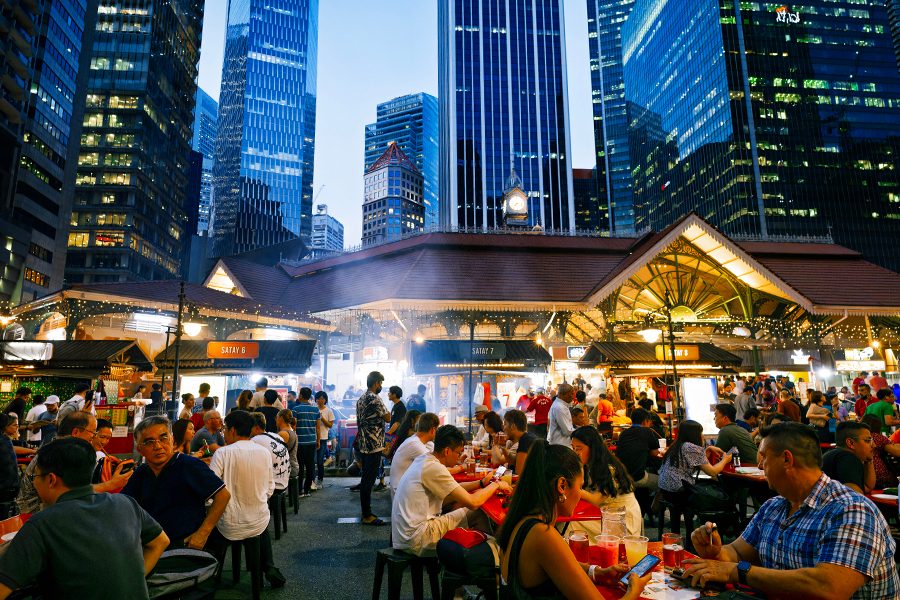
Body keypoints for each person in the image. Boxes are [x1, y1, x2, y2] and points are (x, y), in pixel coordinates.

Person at [683, 422, 898, 598]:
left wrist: (737, 572)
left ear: (787, 459)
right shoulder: (774, 507)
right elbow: (737, 552)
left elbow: (830, 587)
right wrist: (717, 552)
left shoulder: (851, 510)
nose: (759, 466)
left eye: (764, 457)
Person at [0, 437, 169, 599]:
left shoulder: (43, 523)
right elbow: (160, 542)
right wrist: (136, 577)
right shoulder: (125, 504)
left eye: (35, 477)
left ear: (51, 480)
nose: (34, 483)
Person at [498, 439, 651, 599]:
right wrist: (634, 590)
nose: (580, 494)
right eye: (580, 486)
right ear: (562, 486)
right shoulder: (543, 535)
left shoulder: (522, 520)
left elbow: (557, 564)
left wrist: (596, 572)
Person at [391, 425, 511, 556]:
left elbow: (454, 489)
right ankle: (493, 557)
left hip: (405, 534)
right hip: (416, 538)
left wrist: (481, 483)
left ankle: (480, 556)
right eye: (458, 453)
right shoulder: (434, 467)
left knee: (461, 506)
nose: (459, 457)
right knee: (477, 512)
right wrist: (496, 485)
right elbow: (473, 502)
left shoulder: (425, 460)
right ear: (447, 451)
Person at [122, 416, 230, 552]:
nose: (158, 446)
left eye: (163, 438)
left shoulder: (188, 465)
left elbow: (223, 495)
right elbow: (124, 504)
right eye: (149, 442)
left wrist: (203, 533)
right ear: (139, 449)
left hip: (185, 546)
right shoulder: (142, 472)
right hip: (152, 546)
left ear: (172, 439)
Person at [211, 410, 285, 588]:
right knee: (260, 526)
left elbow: (211, 489)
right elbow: (270, 488)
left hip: (229, 525)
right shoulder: (264, 452)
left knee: (209, 534)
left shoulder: (222, 453)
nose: (224, 433)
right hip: (258, 522)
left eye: (225, 429)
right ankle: (267, 567)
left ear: (233, 430)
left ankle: (210, 578)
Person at [16, 411, 133, 514]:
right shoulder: (58, 453)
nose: (94, 437)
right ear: (76, 432)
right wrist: (111, 484)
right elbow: (71, 493)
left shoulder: (61, 448)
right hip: (36, 513)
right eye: (92, 432)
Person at [570, 426, 642, 537]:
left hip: (623, 522)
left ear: (592, 448)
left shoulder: (608, 468)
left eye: (579, 448)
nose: (575, 453)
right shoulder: (591, 465)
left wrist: (573, 488)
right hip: (609, 516)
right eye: (573, 448)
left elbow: (596, 500)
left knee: (571, 526)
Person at [658, 420, 732, 521]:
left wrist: (708, 449)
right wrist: (725, 460)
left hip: (665, 488)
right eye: (701, 432)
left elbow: (693, 461)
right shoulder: (691, 447)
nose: (702, 435)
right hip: (678, 490)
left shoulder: (676, 445)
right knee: (718, 493)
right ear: (694, 434)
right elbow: (712, 472)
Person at [356, 371, 391, 525]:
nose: (381, 386)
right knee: (368, 481)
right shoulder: (375, 399)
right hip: (374, 444)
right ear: (376, 383)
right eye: (380, 383)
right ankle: (367, 515)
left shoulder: (361, 399)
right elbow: (388, 417)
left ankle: (366, 512)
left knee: (366, 479)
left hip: (363, 443)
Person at [389, 412, 440, 497]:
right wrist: (461, 467)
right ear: (433, 430)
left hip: (404, 487)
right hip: (401, 492)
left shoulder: (416, 440)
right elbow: (437, 467)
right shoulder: (414, 444)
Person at [615, 407, 662, 491]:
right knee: (664, 483)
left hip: (622, 477)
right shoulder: (647, 431)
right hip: (637, 478)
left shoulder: (623, 433)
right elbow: (655, 452)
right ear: (645, 421)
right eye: (649, 421)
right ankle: (655, 504)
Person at [823, 421, 875, 494]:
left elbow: (867, 487)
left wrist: (869, 460)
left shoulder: (835, 454)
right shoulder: (847, 458)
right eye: (867, 441)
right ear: (851, 443)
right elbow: (855, 500)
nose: (874, 445)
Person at [250, 413, 290, 497]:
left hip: (275, 486)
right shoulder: (276, 435)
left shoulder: (255, 440)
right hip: (285, 481)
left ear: (256, 427)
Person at [291, 387, 320, 496]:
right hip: (311, 442)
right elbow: (318, 428)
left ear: (301, 396)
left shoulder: (296, 409)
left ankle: (299, 491)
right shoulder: (316, 410)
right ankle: (307, 490)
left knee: (300, 466)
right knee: (310, 466)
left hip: (300, 442)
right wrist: (318, 441)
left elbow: (294, 427)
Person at [860, 414, 900, 489]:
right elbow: (897, 452)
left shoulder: (859, 437)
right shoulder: (876, 437)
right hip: (880, 478)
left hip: (862, 475)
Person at [496, 409, 537, 475]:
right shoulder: (527, 437)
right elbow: (513, 461)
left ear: (513, 426)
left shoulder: (525, 440)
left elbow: (519, 474)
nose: (503, 429)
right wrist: (503, 447)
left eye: (505, 424)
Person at [0, 415, 20, 517]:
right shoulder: (4, 440)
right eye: (14, 425)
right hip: (9, 490)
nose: (17, 428)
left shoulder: (4, 440)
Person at [315, 391, 334, 488]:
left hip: (322, 438)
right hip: (312, 438)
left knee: (319, 461)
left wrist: (321, 418)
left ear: (325, 400)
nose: (320, 400)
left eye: (322, 398)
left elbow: (330, 425)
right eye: (318, 398)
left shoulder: (329, 411)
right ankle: (312, 481)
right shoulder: (313, 409)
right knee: (312, 461)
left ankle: (320, 480)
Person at [277, 410, 299, 492]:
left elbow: (277, 454)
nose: (276, 419)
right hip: (293, 466)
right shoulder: (291, 431)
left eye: (277, 417)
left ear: (281, 418)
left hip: (288, 468)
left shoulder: (283, 434)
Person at [547, 383, 575, 447]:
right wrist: (582, 431)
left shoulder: (561, 405)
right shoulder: (559, 407)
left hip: (561, 444)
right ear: (563, 394)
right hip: (560, 445)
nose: (573, 396)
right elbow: (567, 431)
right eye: (571, 394)